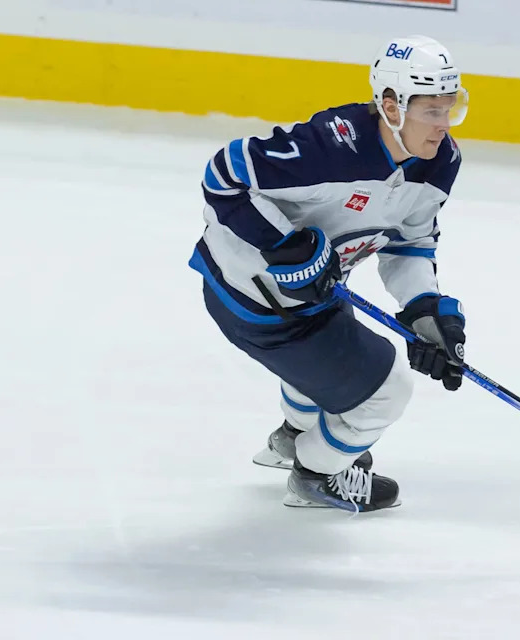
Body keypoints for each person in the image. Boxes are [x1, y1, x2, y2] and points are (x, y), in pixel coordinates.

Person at [188, 35, 469, 513]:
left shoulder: (440, 163)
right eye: (431, 111)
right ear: (391, 106)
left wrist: (425, 311)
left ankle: (291, 438)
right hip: (254, 299)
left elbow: (410, 241)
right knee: (386, 391)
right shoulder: (329, 147)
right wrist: (282, 245)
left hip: (310, 296)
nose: (443, 127)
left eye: (450, 109)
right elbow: (223, 176)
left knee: (333, 349)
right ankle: (317, 475)